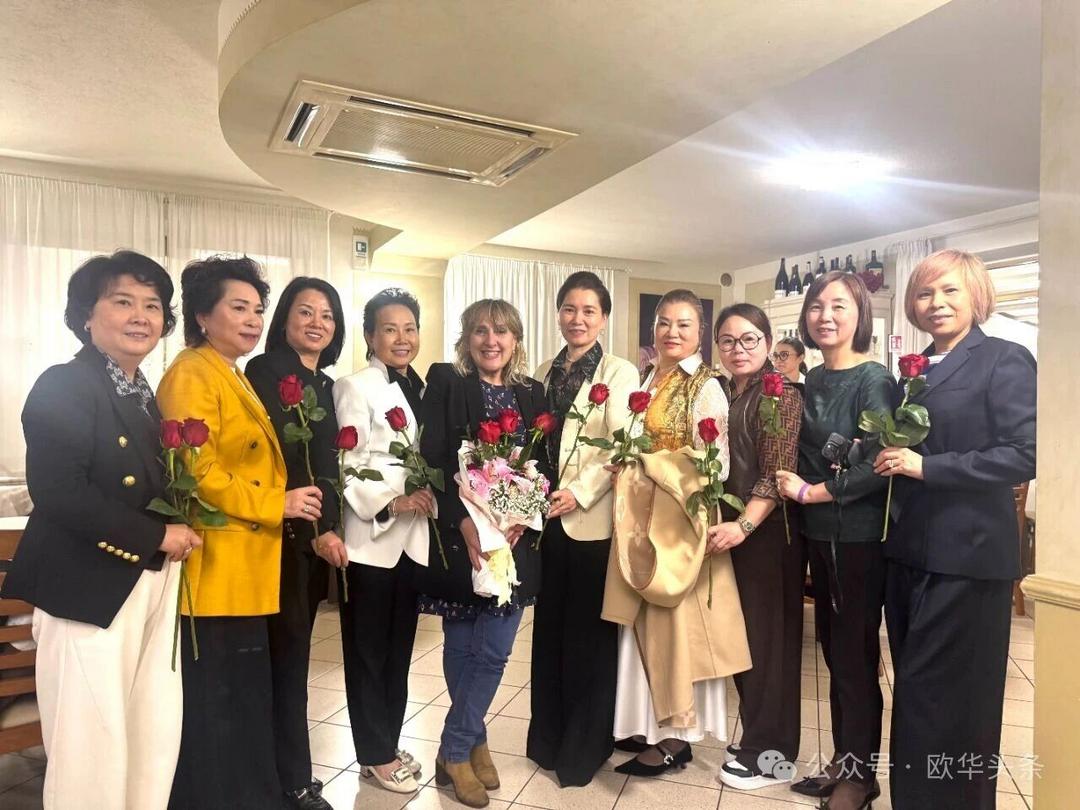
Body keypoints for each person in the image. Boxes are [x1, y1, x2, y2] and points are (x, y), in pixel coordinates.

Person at [2, 251, 201, 810]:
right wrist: (155, 536)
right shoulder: (64, 383)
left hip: (146, 582)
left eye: (153, 306)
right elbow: (59, 492)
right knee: (90, 743)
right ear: (86, 315)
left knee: (149, 727)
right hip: (86, 587)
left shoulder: (143, 395)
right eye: (122, 301)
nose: (141, 316)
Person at [158, 256, 324, 810]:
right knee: (218, 705)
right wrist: (276, 502)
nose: (253, 320)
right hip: (217, 568)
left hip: (245, 563)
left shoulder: (228, 371)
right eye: (238, 307)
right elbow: (195, 470)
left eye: (257, 309)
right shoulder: (192, 373)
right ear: (203, 315)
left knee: (243, 699)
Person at [875, 250, 1036, 809]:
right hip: (909, 554)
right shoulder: (914, 369)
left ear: (976, 296)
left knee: (955, 702)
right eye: (924, 293)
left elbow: (1024, 453)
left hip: (969, 558)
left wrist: (928, 468)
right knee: (915, 697)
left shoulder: (1003, 359)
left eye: (949, 291)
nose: (936, 303)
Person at [603, 289, 751, 778]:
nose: (672, 332)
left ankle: (676, 738)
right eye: (664, 323)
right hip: (641, 520)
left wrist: (645, 465)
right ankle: (645, 726)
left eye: (684, 324)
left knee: (678, 629)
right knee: (643, 626)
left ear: (700, 332)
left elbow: (716, 463)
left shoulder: (705, 387)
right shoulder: (648, 377)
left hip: (679, 524)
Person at [417, 299, 552, 809]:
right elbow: (433, 460)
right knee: (460, 646)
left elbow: (544, 464)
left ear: (516, 339)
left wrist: (519, 515)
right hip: (463, 539)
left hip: (513, 539)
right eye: (479, 331)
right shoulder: (447, 382)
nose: (490, 340)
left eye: (500, 331)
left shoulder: (532, 392)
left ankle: (454, 747)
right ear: (466, 338)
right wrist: (463, 521)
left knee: (494, 649)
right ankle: (474, 743)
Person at [776, 271, 896, 810]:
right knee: (832, 651)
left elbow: (879, 464)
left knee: (854, 656)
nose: (825, 316)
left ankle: (860, 777)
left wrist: (813, 493)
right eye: (817, 306)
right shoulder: (815, 378)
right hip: (817, 537)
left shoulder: (874, 380)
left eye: (839, 305)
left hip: (856, 539)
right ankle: (846, 761)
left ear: (860, 313)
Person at [527, 272, 638, 787]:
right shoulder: (542, 372)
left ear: (604, 318)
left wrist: (580, 491)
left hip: (590, 519)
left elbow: (624, 446)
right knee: (549, 632)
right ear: (558, 314)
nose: (578, 319)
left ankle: (585, 746)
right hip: (544, 521)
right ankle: (547, 739)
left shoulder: (619, 372)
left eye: (589, 310)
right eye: (569, 309)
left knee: (589, 639)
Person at [246, 276, 346, 810]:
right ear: (284, 318)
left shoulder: (325, 384)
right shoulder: (266, 372)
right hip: (283, 537)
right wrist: (319, 528)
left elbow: (328, 466)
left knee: (293, 657)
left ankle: (286, 774)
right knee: (285, 662)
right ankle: (291, 782)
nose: (316, 323)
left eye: (327, 315)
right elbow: (285, 463)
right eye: (305, 312)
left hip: (311, 540)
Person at [332, 288, 432, 795]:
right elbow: (347, 463)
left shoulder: (420, 387)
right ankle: (373, 754)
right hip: (371, 540)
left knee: (398, 652)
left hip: (412, 542)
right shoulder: (354, 385)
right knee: (368, 653)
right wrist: (393, 502)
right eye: (390, 329)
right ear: (370, 335)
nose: (402, 338)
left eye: (409, 328)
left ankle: (387, 743)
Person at [710, 304, 806, 791]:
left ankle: (772, 757)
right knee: (743, 641)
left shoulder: (779, 393)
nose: (738, 349)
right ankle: (756, 737)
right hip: (737, 532)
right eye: (728, 340)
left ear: (768, 344)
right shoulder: (729, 391)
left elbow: (777, 472)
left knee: (770, 647)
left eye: (749, 339)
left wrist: (743, 525)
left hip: (768, 536)